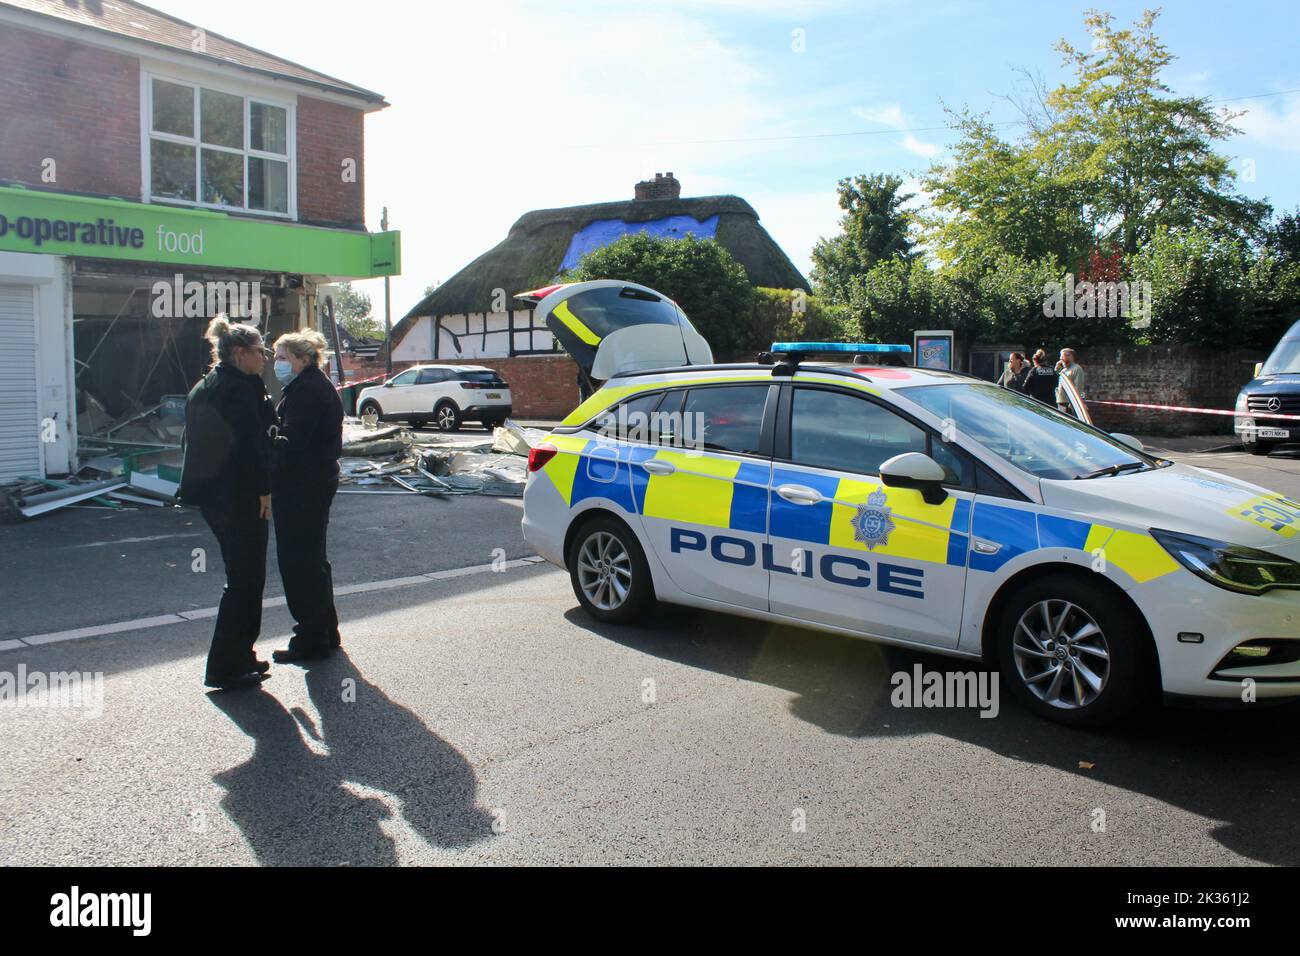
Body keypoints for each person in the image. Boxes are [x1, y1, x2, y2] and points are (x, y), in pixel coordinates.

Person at [178, 316, 276, 690]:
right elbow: (249, 446)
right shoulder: (242, 388)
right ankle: (228, 664)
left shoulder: (204, 386)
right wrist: (263, 490)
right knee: (247, 580)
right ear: (240, 353)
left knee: (241, 577)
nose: (264, 359)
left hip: (211, 496)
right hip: (238, 495)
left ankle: (237, 657)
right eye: (260, 352)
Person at [269, 329, 344, 663]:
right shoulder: (312, 385)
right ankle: (325, 630)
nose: (276, 363)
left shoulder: (307, 390)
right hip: (315, 481)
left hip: (303, 484)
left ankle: (310, 638)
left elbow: (292, 442)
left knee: (299, 561)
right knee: (314, 560)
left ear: (301, 358)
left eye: (282, 357)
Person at [1055, 347, 1087, 416]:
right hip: (1061, 402)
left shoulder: (1077, 369)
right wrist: (1057, 369)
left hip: (1069, 403)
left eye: (1063, 356)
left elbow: (1078, 386)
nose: (1061, 359)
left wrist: (1074, 402)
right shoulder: (1063, 370)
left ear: (1070, 356)